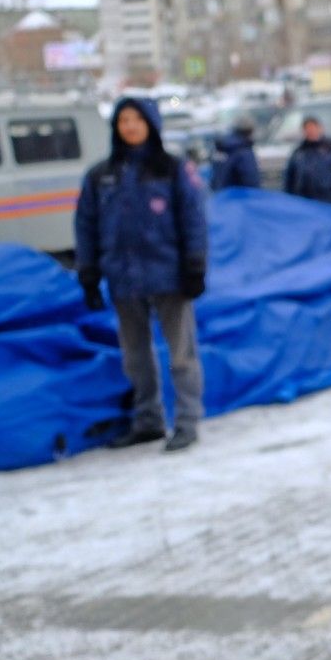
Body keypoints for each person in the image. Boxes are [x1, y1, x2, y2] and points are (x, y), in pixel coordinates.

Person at [75, 97, 208, 453]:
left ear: (151, 124)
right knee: (135, 355)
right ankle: (147, 421)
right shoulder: (102, 175)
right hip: (124, 278)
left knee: (181, 353)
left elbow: (193, 218)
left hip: (169, 274)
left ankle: (187, 421)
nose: (130, 126)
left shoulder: (172, 169)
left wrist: (195, 265)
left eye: (137, 120)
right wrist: (88, 271)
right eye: (123, 121)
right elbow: (87, 224)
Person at [284, 115, 331, 210]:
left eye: (313, 128)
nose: (311, 131)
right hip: (305, 201)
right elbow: (289, 178)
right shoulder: (299, 153)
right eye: (308, 129)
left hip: (330, 200)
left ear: (320, 128)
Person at [210, 115, 262, 191]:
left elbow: (213, 178)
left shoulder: (221, 149)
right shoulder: (244, 151)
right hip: (240, 200)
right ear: (250, 131)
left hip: (220, 198)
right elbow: (251, 180)